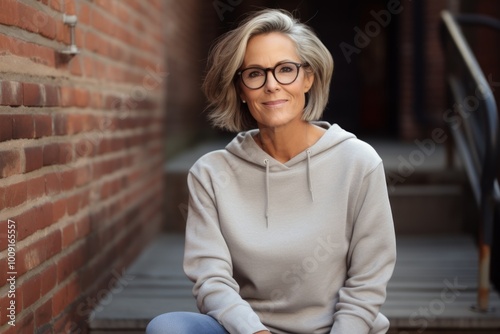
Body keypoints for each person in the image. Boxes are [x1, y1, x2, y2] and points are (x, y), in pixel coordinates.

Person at [147, 8, 396, 334]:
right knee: (167, 328)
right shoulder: (210, 174)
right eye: (255, 73)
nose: (271, 85)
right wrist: (255, 331)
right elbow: (212, 279)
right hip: (249, 331)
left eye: (286, 70)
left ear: (309, 78)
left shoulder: (358, 163)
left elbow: (368, 280)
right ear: (240, 89)